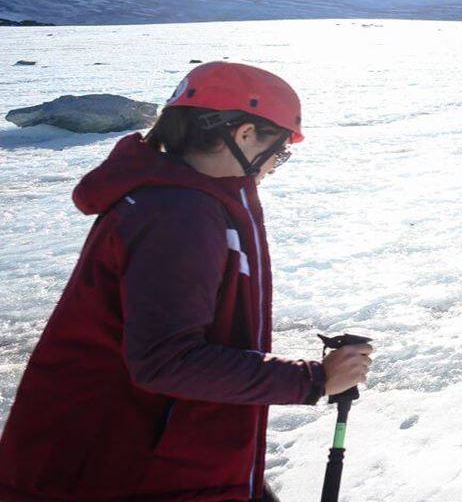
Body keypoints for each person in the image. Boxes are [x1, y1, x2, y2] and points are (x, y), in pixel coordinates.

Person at [0, 62, 373, 501]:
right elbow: (166, 360)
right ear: (245, 134)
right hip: (125, 469)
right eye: (281, 149)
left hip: (154, 455)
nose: (278, 164)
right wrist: (312, 380)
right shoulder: (178, 215)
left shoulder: (185, 199)